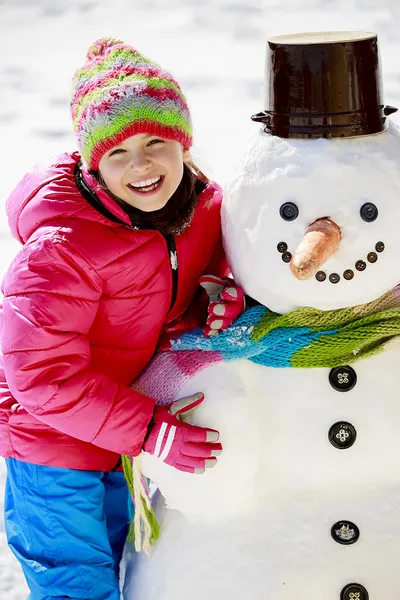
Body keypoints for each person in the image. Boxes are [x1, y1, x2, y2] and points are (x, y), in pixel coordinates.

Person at [0, 38, 244, 600]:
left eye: (157, 141)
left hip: (126, 444)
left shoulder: (201, 209)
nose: (141, 164)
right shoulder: (61, 251)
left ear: (183, 142)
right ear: (93, 166)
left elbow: (214, 268)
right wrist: (150, 431)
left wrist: (219, 293)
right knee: (77, 587)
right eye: (117, 152)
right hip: (53, 449)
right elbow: (40, 375)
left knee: (141, 581)